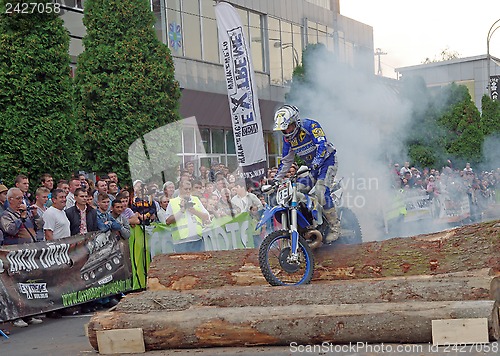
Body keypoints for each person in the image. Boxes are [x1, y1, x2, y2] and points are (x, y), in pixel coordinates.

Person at [272, 104, 339, 241]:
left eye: (288, 126)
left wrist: (317, 161)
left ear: (295, 121)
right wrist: (276, 180)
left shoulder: (310, 126)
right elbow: (286, 161)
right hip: (311, 169)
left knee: (320, 191)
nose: (286, 131)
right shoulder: (288, 139)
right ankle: (310, 224)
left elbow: (322, 145)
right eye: (283, 129)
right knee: (294, 192)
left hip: (327, 162)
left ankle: (335, 227)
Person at [165, 180, 209, 252]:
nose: (188, 191)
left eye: (189, 189)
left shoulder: (196, 200)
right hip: (181, 242)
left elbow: (206, 216)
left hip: (197, 239)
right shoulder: (173, 202)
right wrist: (182, 210)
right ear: (180, 189)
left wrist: (194, 211)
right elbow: (168, 221)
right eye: (185, 189)